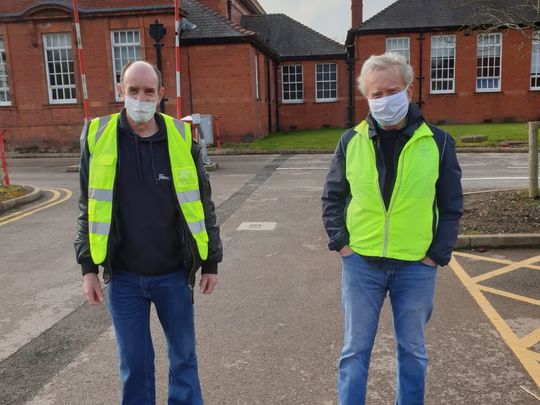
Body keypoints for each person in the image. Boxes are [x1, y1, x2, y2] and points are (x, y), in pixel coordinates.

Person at [74, 60, 222, 405]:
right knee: (134, 366)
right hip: (123, 278)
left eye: (148, 91)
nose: (141, 98)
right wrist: (88, 270)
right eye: (133, 90)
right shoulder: (98, 136)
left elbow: (203, 203)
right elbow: (87, 206)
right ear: (120, 91)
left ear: (161, 95)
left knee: (184, 359)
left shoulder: (182, 137)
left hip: (173, 274)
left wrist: (211, 260)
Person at [322, 53, 463, 405]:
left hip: (416, 265)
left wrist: (436, 256)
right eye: (376, 94)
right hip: (361, 265)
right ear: (366, 97)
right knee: (354, 353)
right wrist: (342, 244)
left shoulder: (439, 142)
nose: (384, 99)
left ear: (409, 90)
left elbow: (451, 206)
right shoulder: (350, 141)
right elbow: (333, 198)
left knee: (413, 353)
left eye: (392, 90)